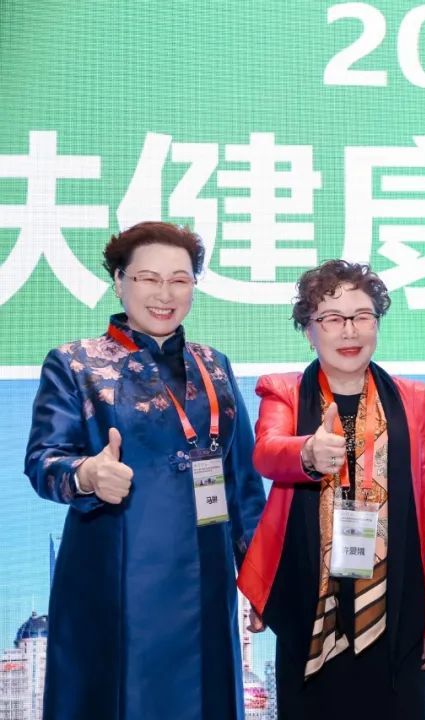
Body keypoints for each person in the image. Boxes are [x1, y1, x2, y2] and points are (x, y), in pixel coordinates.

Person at [24, 221, 266, 720]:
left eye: (180, 280)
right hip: (115, 581)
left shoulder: (215, 365)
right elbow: (43, 459)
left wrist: (260, 579)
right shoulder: (76, 363)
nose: (165, 294)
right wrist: (88, 474)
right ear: (119, 281)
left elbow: (240, 483)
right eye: (148, 278)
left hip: (207, 581)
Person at [237, 260, 425, 719]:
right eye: (332, 319)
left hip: (397, 607)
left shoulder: (414, 399)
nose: (349, 331)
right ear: (309, 331)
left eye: (362, 316)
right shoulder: (283, 391)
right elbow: (266, 452)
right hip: (308, 605)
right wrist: (307, 452)